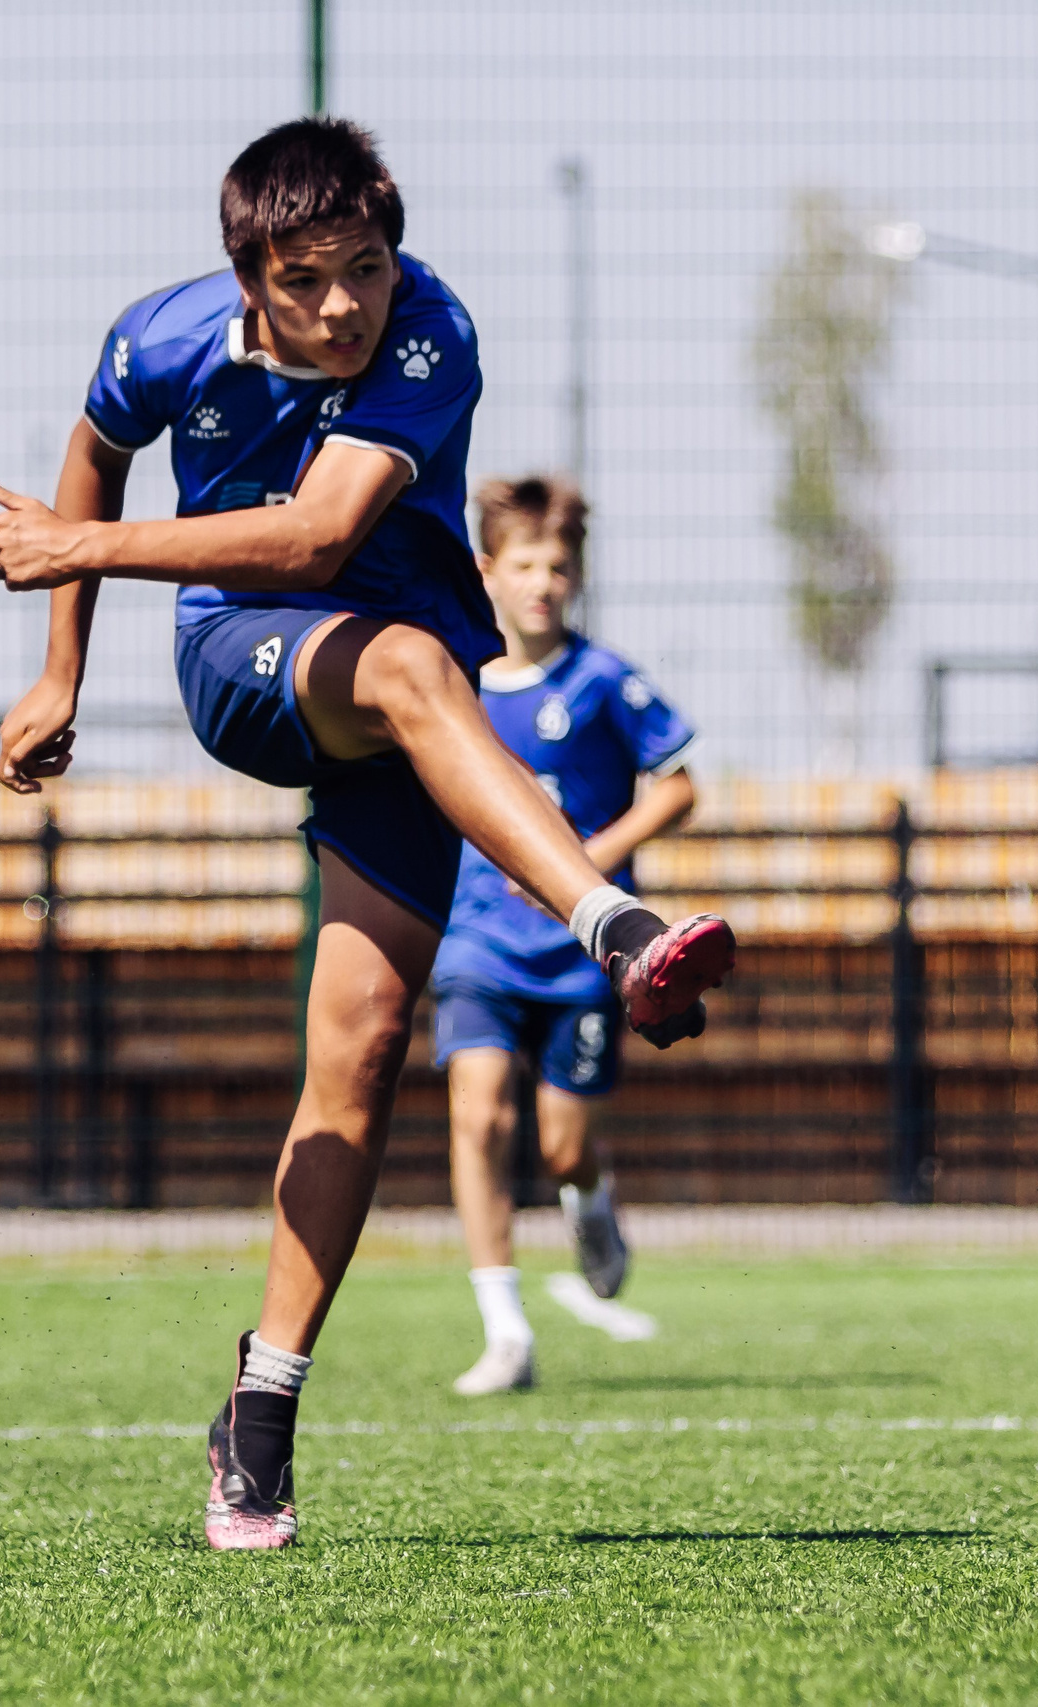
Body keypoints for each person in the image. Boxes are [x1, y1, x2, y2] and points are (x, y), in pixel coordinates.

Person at [0, 119, 735, 1551]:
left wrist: (83, 553)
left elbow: (319, 534)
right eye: (306, 283)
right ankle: (620, 924)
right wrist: (60, 668)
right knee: (407, 667)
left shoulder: (432, 329)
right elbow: (97, 447)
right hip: (247, 659)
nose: (343, 309)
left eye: (363, 272)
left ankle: (258, 1414)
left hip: (403, 698)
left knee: (367, 1050)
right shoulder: (165, 336)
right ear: (246, 273)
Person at [433, 476, 699, 1396]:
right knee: (477, 1114)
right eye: (525, 564)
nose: (544, 582)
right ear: (486, 571)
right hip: (476, 941)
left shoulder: (602, 679)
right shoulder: (448, 685)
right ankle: (504, 1329)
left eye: (559, 565)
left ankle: (590, 1199)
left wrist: (586, 857)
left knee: (559, 1146)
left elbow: (678, 784)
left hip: (585, 950)